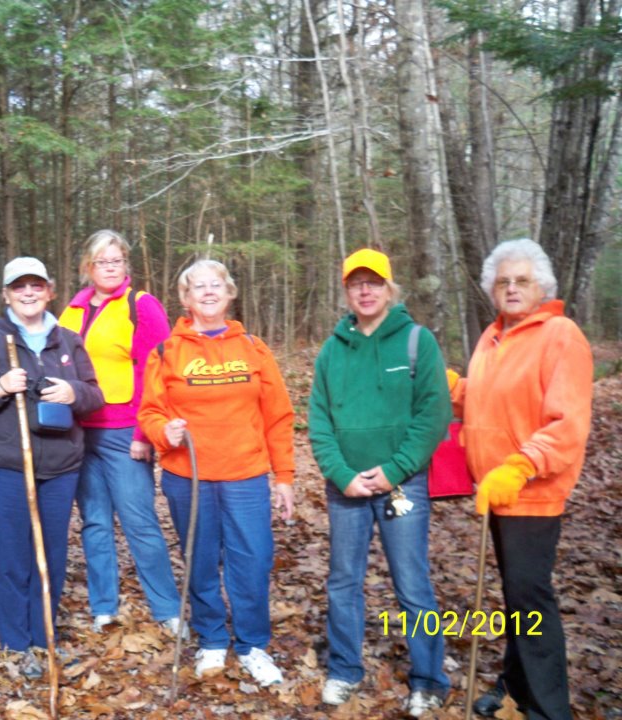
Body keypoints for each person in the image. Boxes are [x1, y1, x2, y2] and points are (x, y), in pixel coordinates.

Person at [449, 239, 592, 720]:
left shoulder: (560, 335)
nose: (511, 288)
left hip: (531, 493)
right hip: (494, 492)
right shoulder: (492, 338)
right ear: (491, 288)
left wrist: (520, 466)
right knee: (516, 598)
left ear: (542, 287)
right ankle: (514, 686)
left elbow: (566, 423)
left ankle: (549, 708)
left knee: (531, 600)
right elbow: (488, 400)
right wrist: (451, 388)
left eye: (522, 281)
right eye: (503, 280)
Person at [307, 248, 451, 717]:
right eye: (355, 283)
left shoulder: (415, 341)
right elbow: (319, 421)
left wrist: (394, 470)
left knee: (412, 584)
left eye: (374, 282)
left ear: (390, 288)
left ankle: (429, 680)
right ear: (346, 290)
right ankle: (345, 671)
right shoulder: (333, 349)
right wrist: (342, 475)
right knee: (343, 582)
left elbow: (433, 416)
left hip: (401, 485)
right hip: (345, 489)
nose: (365, 291)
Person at [137, 259, 295, 687]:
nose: (208, 293)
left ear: (229, 294)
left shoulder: (254, 350)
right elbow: (150, 411)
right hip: (187, 476)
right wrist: (163, 432)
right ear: (185, 299)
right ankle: (210, 639)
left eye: (216, 286)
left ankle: (252, 645)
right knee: (200, 560)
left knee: (253, 559)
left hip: (245, 474)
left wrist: (284, 476)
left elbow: (278, 416)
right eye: (197, 288)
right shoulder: (167, 351)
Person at [0, 257, 104, 678]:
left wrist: (73, 392)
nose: (28, 293)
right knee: (11, 554)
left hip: (61, 466)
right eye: (19, 286)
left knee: (52, 553)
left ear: (50, 290)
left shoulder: (67, 341)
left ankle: (44, 636)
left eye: (36, 285)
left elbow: (96, 396)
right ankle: (15, 642)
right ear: (7, 293)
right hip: (7, 465)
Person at [59, 230, 184, 635]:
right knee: (94, 522)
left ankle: (167, 609)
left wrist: (145, 435)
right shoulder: (71, 312)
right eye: (102, 261)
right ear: (88, 268)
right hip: (80, 432)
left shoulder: (141, 306)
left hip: (124, 432)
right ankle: (103, 607)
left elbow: (157, 371)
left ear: (126, 264)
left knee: (139, 521)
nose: (110, 267)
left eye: (117, 260)